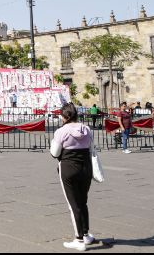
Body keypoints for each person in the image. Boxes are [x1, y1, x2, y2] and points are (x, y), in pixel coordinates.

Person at [50, 102, 96, 251]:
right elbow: (90, 147)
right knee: (83, 202)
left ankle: (79, 239)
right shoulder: (87, 129)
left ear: (64, 117)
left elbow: (55, 153)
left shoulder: (62, 131)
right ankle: (86, 234)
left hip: (69, 168)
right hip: (86, 167)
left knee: (73, 205)